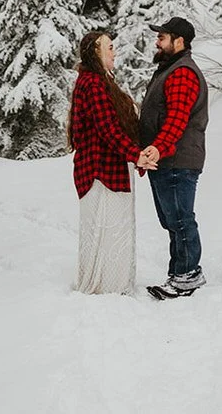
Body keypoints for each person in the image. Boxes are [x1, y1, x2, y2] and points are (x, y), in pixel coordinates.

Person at [67, 30, 157, 294]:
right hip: (101, 171)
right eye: (109, 47)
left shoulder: (97, 81)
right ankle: (107, 287)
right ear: (95, 52)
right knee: (107, 231)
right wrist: (136, 155)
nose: (114, 51)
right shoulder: (93, 84)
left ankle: (112, 285)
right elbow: (107, 129)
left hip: (108, 168)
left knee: (110, 230)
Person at [138, 16, 208, 299]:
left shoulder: (182, 73)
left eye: (163, 37)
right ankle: (179, 273)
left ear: (179, 41)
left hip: (177, 159)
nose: (157, 41)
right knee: (172, 220)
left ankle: (188, 275)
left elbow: (177, 119)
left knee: (180, 219)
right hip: (166, 159)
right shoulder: (169, 70)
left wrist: (159, 146)